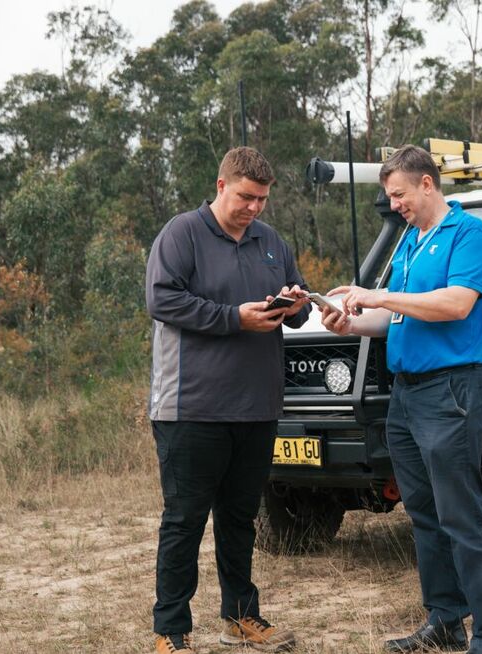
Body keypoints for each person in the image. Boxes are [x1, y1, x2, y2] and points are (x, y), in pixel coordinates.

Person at [321, 145, 482, 654]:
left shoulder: (469, 235)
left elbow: (455, 303)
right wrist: (352, 321)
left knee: (462, 516)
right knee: (424, 513)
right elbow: (398, 316)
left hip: (450, 391)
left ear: (427, 184)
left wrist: (379, 295)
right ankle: (445, 620)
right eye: (390, 196)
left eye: (399, 194)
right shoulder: (409, 239)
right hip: (406, 396)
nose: (395, 204)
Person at [145, 146, 310, 654]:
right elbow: (162, 299)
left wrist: (298, 303)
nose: (254, 208)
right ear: (221, 187)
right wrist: (233, 318)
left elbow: (300, 308)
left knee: (240, 520)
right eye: (245, 197)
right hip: (191, 408)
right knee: (185, 521)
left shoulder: (271, 242)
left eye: (262, 199)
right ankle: (171, 631)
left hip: (257, 406)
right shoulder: (182, 233)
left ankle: (241, 618)